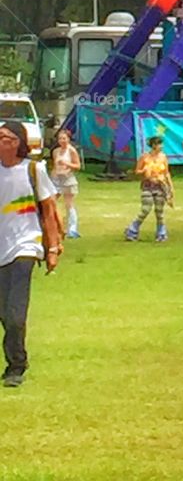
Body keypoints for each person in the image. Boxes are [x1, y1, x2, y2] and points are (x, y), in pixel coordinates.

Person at [0, 119, 60, 386]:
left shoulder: (34, 170)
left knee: (15, 313)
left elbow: (49, 211)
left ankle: (16, 366)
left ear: (19, 143)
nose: (2, 142)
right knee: (4, 312)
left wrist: (53, 247)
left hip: (25, 246)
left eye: (7, 138)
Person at [125, 134, 174, 242]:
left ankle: (161, 233)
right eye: (159, 144)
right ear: (153, 145)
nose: (161, 146)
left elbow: (166, 173)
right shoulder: (144, 157)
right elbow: (137, 171)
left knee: (159, 211)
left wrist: (171, 187)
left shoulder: (163, 157)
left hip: (160, 186)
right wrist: (144, 171)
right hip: (148, 186)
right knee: (145, 209)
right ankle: (132, 230)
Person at [50, 127, 81, 240]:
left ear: (68, 139)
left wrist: (67, 164)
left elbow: (78, 166)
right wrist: (52, 176)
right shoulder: (55, 151)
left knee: (69, 204)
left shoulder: (71, 150)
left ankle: (72, 229)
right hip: (57, 179)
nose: (62, 141)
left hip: (68, 180)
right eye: (60, 139)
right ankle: (56, 226)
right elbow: (54, 166)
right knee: (51, 201)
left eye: (64, 138)